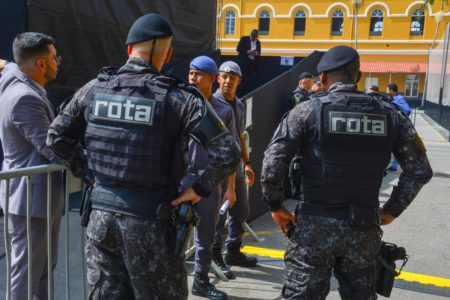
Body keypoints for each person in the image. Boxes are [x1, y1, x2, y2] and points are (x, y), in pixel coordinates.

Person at [47, 14, 240, 299]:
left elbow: (57, 137)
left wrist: (91, 176)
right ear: (169, 54)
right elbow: (228, 151)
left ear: (128, 50)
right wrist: (199, 189)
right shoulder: (179, 98)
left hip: (101, 220)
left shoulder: (94, 89)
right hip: (151, 222)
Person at [261, 45, 433, 299]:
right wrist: (390, 210)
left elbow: (272, 165)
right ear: (359, 76)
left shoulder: (306, 112)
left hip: (313, 232)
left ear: (322, 78)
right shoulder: (391, 115)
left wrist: (276, 206)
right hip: (363, 228)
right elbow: (420, 170)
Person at [0, 32, 63, 299]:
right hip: (31, 204)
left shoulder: (12, 76)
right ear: (40, 65)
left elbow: (8, 64)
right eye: (54, 58)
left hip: (35, 201)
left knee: (42, 273)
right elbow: (54, 150)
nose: (57, 63)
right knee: (26, 278)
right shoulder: (26, 98)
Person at [184, 56, 238, 300]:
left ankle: (201, 281)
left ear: (211, 79)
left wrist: (230, 188)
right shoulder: (180, 104)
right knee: (170, 233)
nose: (193, 78)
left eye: (198, 74)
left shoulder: (224, 111)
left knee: (206, 235)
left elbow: (232, 151)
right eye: (190, 73)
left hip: (209, 181)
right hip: (182, 179)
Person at [212, 61, 258, 279]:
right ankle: (214, 255)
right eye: (225, 77)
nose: (228, 81)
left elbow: (240, 135)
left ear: (239, 81)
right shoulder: (210, 103)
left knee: (241, 211)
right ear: (218, 78)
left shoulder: (239, 105)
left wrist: (247, 163)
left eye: (233, 78)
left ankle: (233, 251)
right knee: (217, 216)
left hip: (236, 167)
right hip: (217, 169)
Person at [386, 83, 412, 171]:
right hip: (394, 126)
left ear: (391, 90)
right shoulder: (392, 98)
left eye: (387, 89)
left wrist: (400, 118)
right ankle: (393, 166)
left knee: (397, 146)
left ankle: (396, 165)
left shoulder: (399, 99)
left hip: (399, 126)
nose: (386, 91)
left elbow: (407, 110)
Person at [236, 29, 261, 94]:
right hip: (243, 63)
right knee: (242, 77)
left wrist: (257, 53)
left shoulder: (258, 42)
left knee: (252, 78)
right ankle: (239, 93)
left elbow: (259, 52)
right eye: (253, 37)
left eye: (255, 38)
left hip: (252, 64)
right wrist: (247, 51)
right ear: (250, 34)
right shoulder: (244, 39)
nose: (253, 39)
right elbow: (238, 49)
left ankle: (247, 92)